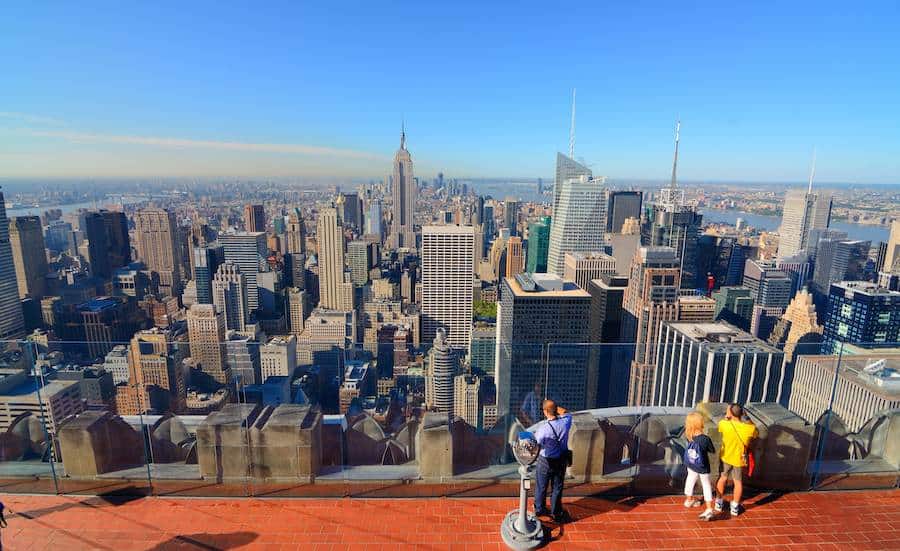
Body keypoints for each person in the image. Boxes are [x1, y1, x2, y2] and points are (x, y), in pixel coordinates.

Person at [532, 399, 572, 523]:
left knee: (541, 486)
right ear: (555, 410)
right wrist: (556, 408)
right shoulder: (566, 422)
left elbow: (536, 443)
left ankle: (539, 509)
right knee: (557, 487)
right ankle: (556, 512)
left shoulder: (543, 429)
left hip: (545, 461)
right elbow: (567, 413)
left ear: (545, 412)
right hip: (561, 459)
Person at [715, 403, 758, 516]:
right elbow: (756, 432)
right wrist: (747, 418)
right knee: (738, 482)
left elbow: (720, 427)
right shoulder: (750, 428)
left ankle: (718, 502)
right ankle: (735, 506)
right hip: (739, 459)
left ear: (730, 413)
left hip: (725, 457)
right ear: (742, 413)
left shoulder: (724, 424)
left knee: (723, 478)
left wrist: (727, 417)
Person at [682, 412, 716, 520]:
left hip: (691, 463)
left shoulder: (688, 435)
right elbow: (712, 450)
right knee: (706, 485)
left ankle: (689, 500)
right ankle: (709, 508)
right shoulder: (705, 439)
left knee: (690, 479)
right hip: (702, 466)